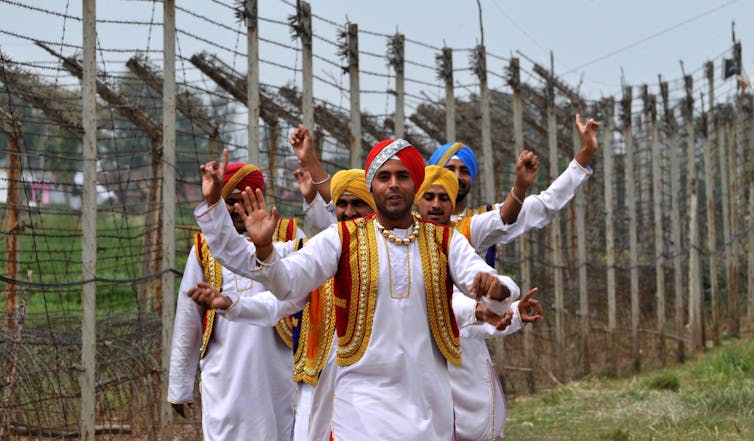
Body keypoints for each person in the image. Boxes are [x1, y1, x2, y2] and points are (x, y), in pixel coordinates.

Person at [193, 138, 520, 440]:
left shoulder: (445, 241)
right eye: (384, 176)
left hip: (427, 400)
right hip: (361, 403)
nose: (393, 184)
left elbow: (491, 281)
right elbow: (286, 282)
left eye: (403, 176)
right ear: (373, 185)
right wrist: (261, 246)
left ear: (415, 184)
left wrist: (497, 289)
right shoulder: (341, 238)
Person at [415, 114, 600, 440]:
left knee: (476, 426)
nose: (456, 178)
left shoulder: (470, 228)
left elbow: (533, 209)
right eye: (449, 169)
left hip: (465, 342)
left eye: (464, 171)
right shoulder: (399, 231)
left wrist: (582, 157)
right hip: (411, 346)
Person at [167, 162, 305, 441]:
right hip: (224, 370)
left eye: (244, 201)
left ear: (259, 200)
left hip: (277, 367)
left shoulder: (290, 237)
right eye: (229, 202)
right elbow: (188, 316)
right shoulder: (205, 247)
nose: (236, 209)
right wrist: (179, 386)